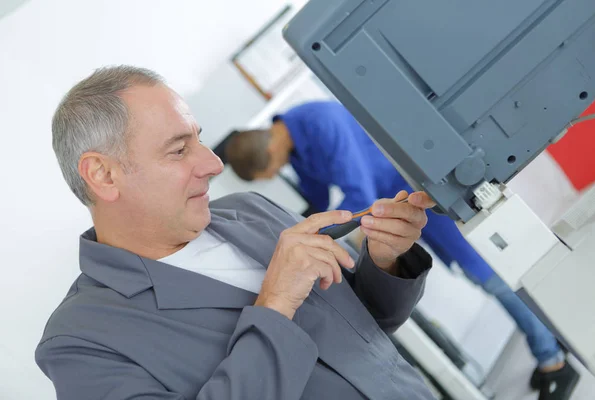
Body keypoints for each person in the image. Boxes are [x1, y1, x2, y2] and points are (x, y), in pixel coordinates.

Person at [36, 66, 442, 400]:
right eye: (178, 150)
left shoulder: (250, 210)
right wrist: (276, 303)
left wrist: (386, 258)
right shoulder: (82, 340)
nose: (213, 163)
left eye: (197, 139)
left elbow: (366, 330)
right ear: (104, 175)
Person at [226, 100, 580, 400]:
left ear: (269, 151)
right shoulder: (296, 151)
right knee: (479, 276)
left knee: (489, 276)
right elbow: (317, 205)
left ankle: (554, 361)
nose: (277, 174)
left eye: (270, 172)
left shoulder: (321, 122)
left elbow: (358, 196)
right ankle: (550, 343)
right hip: (402, 208)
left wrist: (316, 244)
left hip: (423, 192)